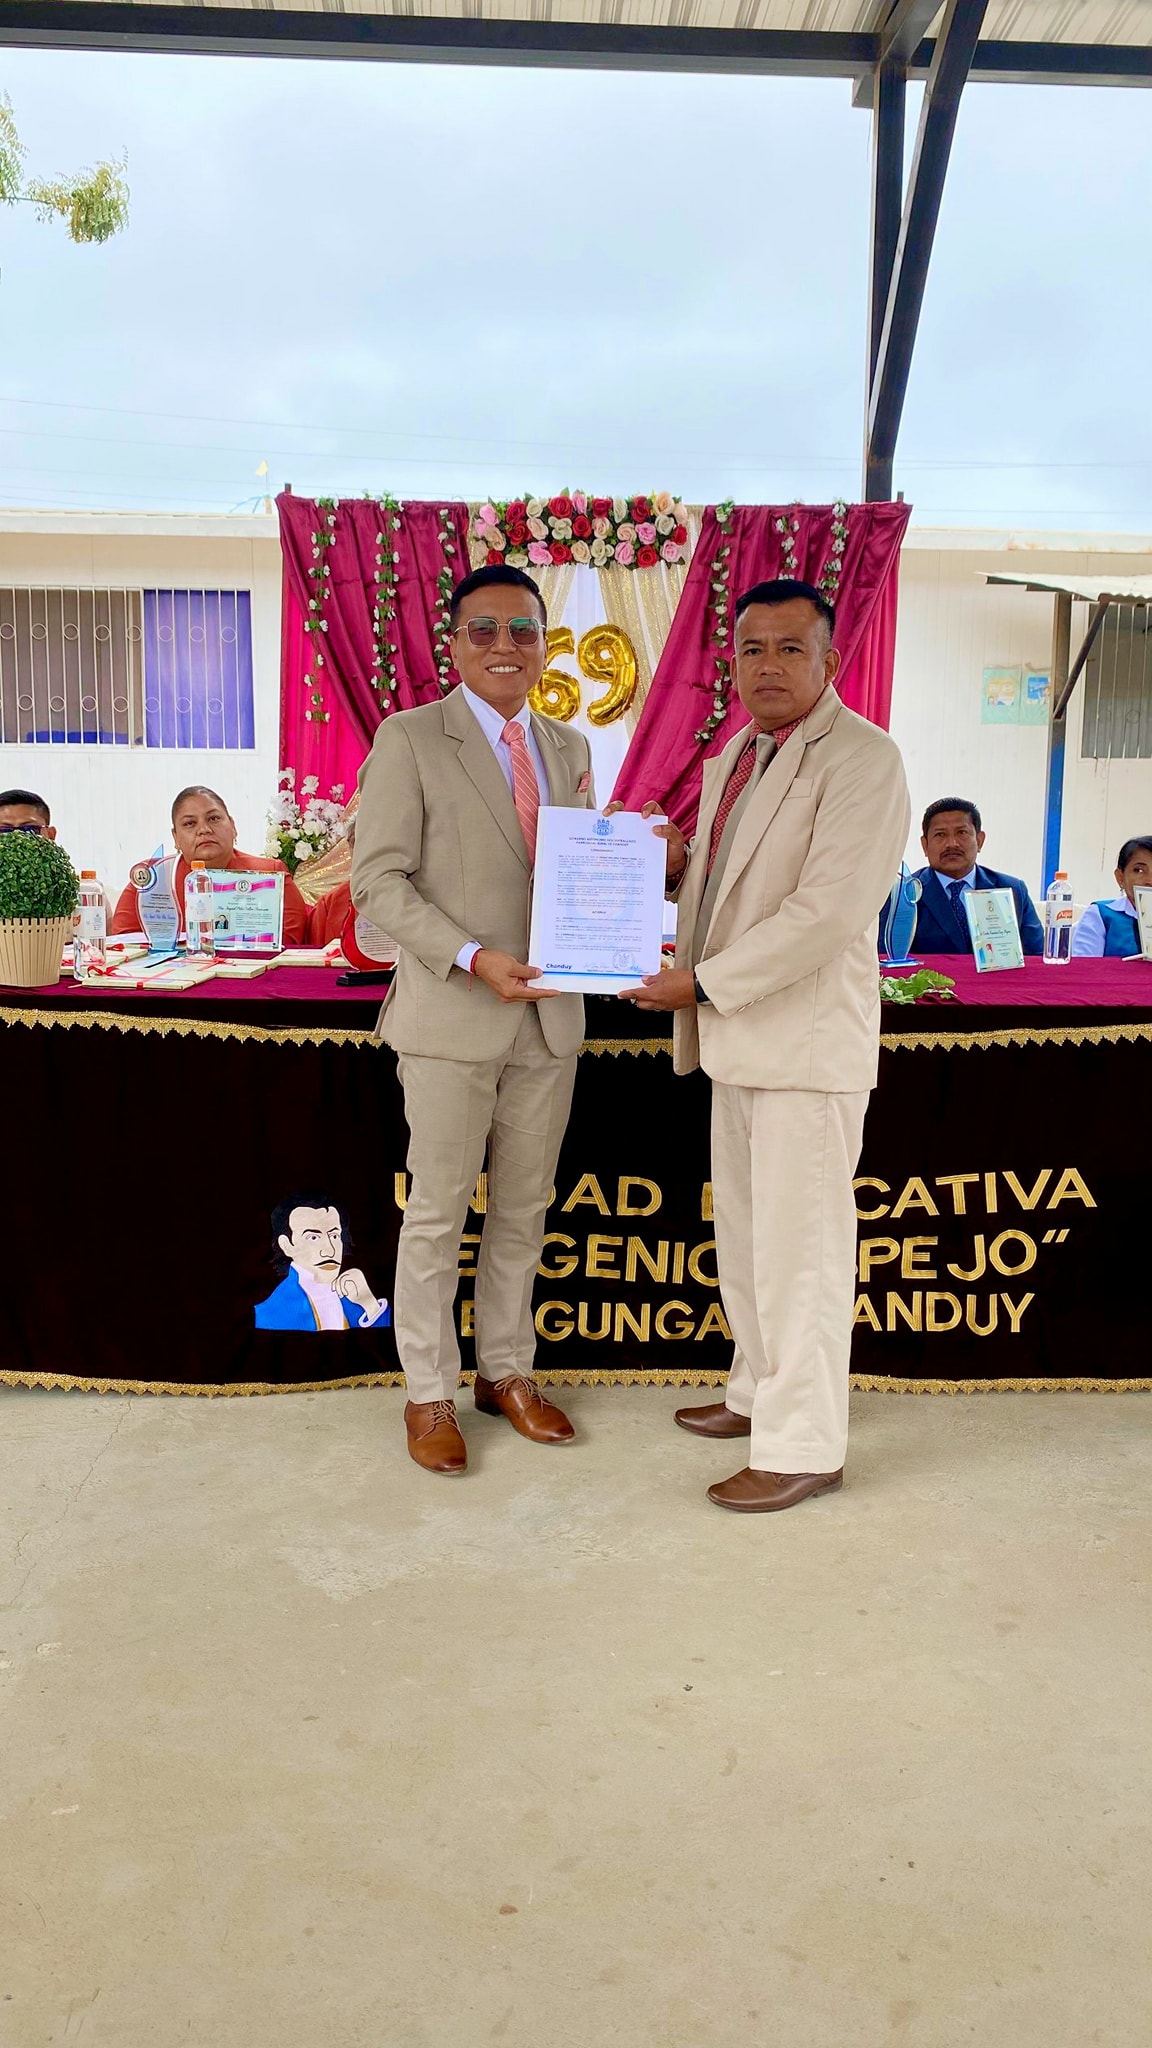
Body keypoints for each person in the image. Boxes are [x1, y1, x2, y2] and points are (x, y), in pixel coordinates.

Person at [618, 578, 910, 1514]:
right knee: (746, 1242)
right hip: (738, 1041)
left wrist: (699, 983)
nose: (768, 665)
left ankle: (803, 1446)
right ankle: (754, 1393)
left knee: (803, 1255)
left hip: (803, 1045)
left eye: (791, 648)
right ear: (732, 662)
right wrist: (669, 870)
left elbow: (826, 912)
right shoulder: (738, 755)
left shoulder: (863, 758)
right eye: (752, 648)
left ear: (830, 660)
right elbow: (727, 888)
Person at [352, 563, 594, 1475]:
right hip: (452, 1015)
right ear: (453, 644)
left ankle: (506, 1372)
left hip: (550, 1020)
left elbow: (570, 872)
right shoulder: (411, 737)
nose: (505, 646)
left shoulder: (568, 745)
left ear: (544, 645)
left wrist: (634, 863)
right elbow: (378, 882)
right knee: (439, 1212)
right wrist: (470, 956)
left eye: (523, 630)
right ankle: (428, 1392)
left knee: (524, 1209)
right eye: (484, 629)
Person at [110, 785, 309, 944]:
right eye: (190, 823)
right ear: (175, 837)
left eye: (214, 819)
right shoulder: (152, 880)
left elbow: (289, 944)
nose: (204, 829)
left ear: (233, 826)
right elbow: (124, 944)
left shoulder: (269, 874)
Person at [910, 799, 1043, 956]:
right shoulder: (905, 894)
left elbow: (1036, 956)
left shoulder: (1012, 890)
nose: (951, 844)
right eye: (940, 834)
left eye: (961, 833)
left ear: (979, 841)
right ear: (925, 845)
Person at [254, 1192, 390, 1331]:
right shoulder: (270, 1314)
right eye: (313, 1237)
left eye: (334, 1236)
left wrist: (370, 1305)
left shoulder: (356, 1300)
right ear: (287, 1245)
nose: (330, 1251)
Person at [1071, 836, 1152, 957]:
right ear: (1120, 877)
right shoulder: (1100, 914)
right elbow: (1085, 965)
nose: (1149, 880)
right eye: (1139, 870)